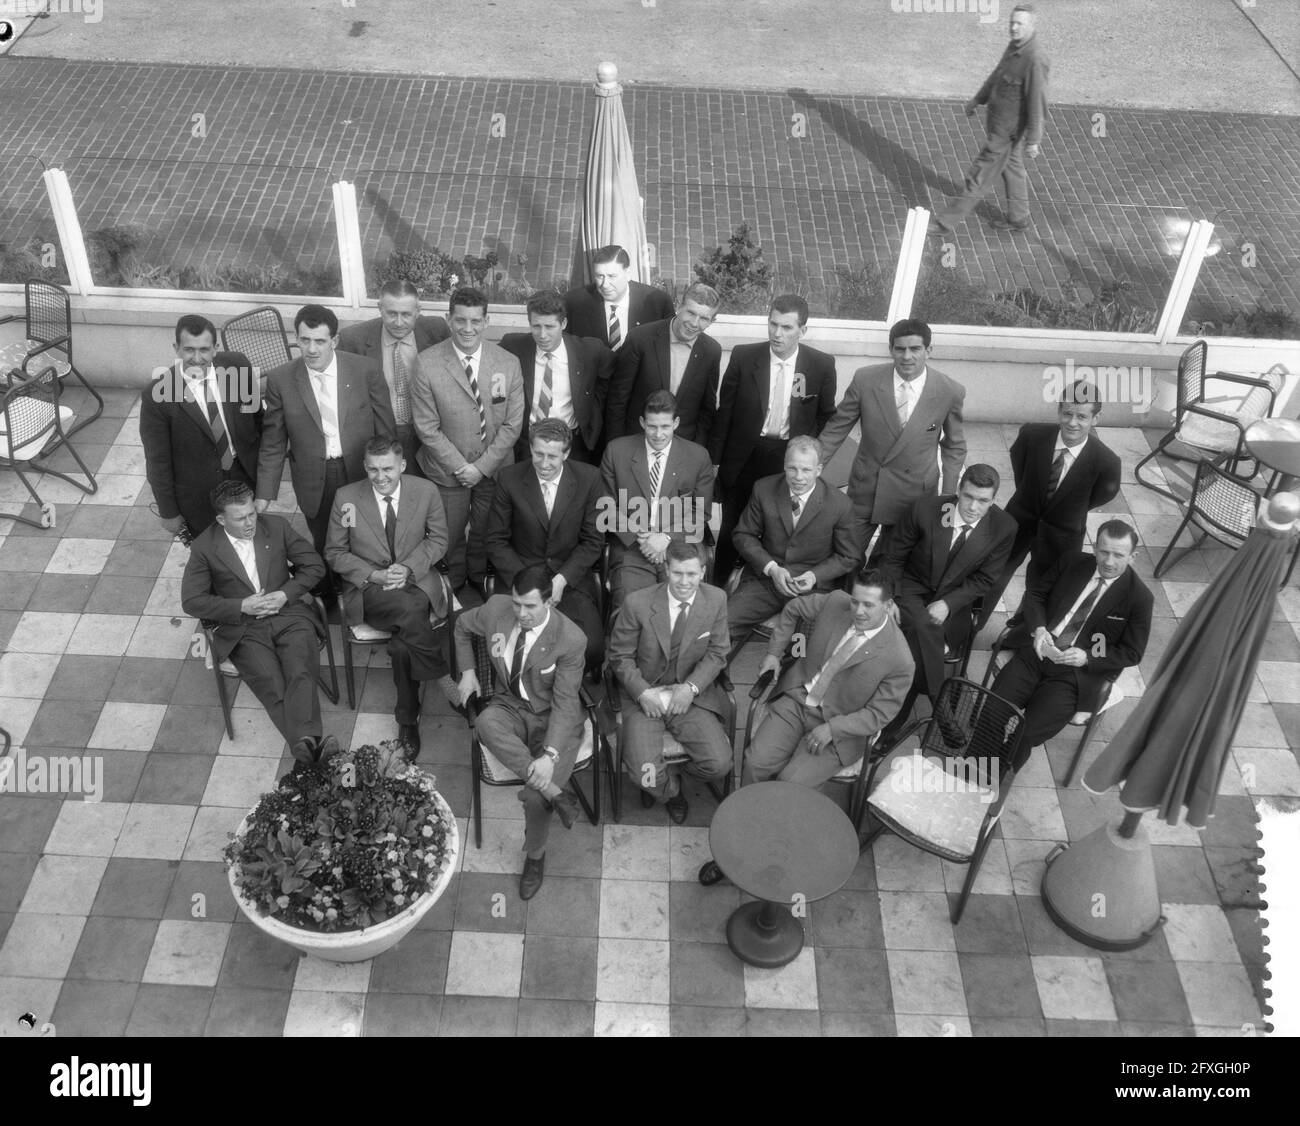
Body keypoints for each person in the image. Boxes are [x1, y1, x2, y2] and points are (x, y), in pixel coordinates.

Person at [698, 570, 913, 884]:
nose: (858, 611)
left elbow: (879, 715)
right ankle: (739, 840)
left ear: (888, 605)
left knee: (789, 784)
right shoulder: (836, 602)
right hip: (798, 701)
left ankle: (765, 851)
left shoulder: (900, 659)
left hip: (838, 731)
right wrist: (773, 653)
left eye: (868, 606)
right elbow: (792, 609)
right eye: (855, 602)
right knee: (755, 763)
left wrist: (834, 729)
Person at [181, 480, 337, 766]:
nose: (250, 522)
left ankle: (306, 755)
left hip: (289, 616)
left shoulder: (275, 527)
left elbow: (315, 565)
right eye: (240, 518)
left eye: (252, 513)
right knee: (273, 685)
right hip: (244, 628)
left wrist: (285, 594)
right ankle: (313, 752)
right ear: (220, 519)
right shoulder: (204, 547)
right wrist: (241, 605)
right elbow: (191, 601)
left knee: (300, 671)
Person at [454, 565, 586, 901]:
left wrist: (551, 755)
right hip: (509, 705)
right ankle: (556, 790)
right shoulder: (497, 608)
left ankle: (535, 857)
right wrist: (468, 672)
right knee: (485, 723)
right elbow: (460, 627)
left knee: (534, 797)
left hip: (552, 719)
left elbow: (567, 705)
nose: (521, 614)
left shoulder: (571, 639)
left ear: (549, 603)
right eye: (517, 604)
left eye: (530, 607)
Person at [324, 437, 456, 756]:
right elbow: (335, 551)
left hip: (418, 580)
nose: (380, 477)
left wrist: (408, 568)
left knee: (401, 647)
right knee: (409, 610)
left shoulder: (425, 491)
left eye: (387, 469)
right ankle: (445, 682)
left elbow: (439, 540)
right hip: (372, 589)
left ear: (402, 466)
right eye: (372, 469)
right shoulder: (347, 499)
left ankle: (407, 718)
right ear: (364, 467)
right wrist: (374, 574)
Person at [988, 520, 1152, 756]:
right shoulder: (1071, 562)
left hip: (1077, 676)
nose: (1108, 561)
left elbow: (1132, 652)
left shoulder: (1140, 598)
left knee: (1028, 732)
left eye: (1118, 555)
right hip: (1037, 653)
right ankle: (974, 769)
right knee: (992, 710)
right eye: (1104, 552)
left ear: (1132, 556)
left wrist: (1088, 657)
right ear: (1094, 547)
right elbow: (1035, 594)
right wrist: (1039, 628)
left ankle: (997, 773)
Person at [878, 464, 1017, 734]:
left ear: (993, 500)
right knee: (921, 625)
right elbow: (892, 556)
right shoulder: (925, 510)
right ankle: (939, 706)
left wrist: (949, 603)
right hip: (911, 591)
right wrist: (890, 597)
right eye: (968, 497)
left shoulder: (1004, 527)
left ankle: (891, 726)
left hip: (954, 606)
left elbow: (985, 579)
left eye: (983, 501)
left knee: (916, 644)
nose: (973, 507)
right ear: (958, 491)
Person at [707, 294, 838, 579]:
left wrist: (813, 459)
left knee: (775, 528)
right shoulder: (744, 356)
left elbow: (826, 415)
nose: (777, 334)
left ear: (803, 331)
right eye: (772, 324)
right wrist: (715, 461)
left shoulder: (821, 365)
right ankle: (717, 590)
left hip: (788, 458)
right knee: (734, 526)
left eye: (787, 328)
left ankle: (758, 586)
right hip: (744, 456)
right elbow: (724, 411)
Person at [255, 304, 396, 563]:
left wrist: (389, 473)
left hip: (360, 469)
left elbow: (385, 430)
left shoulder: (365, 370)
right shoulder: (281, 379)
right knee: (325, 541)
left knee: (367, 535)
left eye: (320, 341)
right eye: (304, 340)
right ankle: (331, 597)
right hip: (314, 479)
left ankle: (366, 594)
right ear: (296, 338)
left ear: (335, 340)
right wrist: (264, 492)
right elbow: (273, 442)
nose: (311, 349)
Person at [816, 318, 966, 561]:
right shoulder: (866, 380)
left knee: (888, 566)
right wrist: (811, 467)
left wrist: (947, 497)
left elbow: (955, 446)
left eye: (915, 349)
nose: (907, 356)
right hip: (867, 489)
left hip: (914, 496)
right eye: (900, 349)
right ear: (891, 350)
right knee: (843, 557)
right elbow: (836, 428)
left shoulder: (950, 391)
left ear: (929, 351)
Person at [979, 379, 1121, 630]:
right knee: (993, 573)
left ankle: (1020, 629)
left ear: (1095, 419)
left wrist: (1068, 507)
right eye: (1067, 413)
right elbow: (1020, 468)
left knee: (1042, 587)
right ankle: (973, 625)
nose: (1072, 422)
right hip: (1019, 520)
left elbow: (1102, 494)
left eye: (1082, 416)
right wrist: (1031, 495)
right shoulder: (1032, 435)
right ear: (1059, 411)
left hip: (1061, 535)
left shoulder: (1106, 461)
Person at [608, 540, 732, 824]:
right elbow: (619, 656)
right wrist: (641, 693)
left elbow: (717, 652)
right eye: (677, 573)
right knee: (643, 773)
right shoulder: (637, 603)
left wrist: (690, 688)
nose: (684, 582)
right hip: (645, 695)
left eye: (691, 574)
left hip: (688, 696)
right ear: (666, 569)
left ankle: (673, 776)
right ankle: (670, 792)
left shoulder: (716, 600)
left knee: (719, 764)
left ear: (703, 571)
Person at [410, 286, 524, 592]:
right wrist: (462, 467)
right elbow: (426, 426)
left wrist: (482, 467)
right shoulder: (426, 363)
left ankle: (479, 579)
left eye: (475, 321)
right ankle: (454, 583)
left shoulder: (508, 363)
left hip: (494, 467)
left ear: (486, 321)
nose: (468, 328)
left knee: (487, 529)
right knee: (449, 531)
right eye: (461, 320)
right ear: (449, 320)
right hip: (449, 471)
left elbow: (513, 424)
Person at [483, 419, 607, 669]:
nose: (544, 463)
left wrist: (561, 580)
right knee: (507, 648)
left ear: (567, 453)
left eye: (552, 456)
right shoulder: (509, 478)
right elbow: (495, 540)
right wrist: (528, 585)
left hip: (568, 579)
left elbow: (594, 540)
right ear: (530, 448)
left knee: (592, 648)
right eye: (538, 454)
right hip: (521, 578)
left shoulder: (590, 478)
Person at [728, 436, 860, 651]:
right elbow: (743, 534)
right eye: (792, 468)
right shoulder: (764, 488)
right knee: (719, 627)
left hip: (811, 589)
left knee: (805, 647)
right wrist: (771, 568)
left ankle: (791, 679)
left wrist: (814, 576)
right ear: (784, 465)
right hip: (766, 581)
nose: (798, 477)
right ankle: (715, 677)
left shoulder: (840, 504)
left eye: (806, 470)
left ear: (819, 469)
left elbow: (849, 556)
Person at [931, 4, 1049, 235]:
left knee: (979, 177)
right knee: (1012, 167)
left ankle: (945, 222)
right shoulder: (1015, 46)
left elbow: (1037, 102)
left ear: (1032, 26)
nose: (1013, 27)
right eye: (1011, 22)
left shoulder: (1035, 59)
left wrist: (1034, 140)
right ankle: (1019, 217)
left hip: (1006, 134)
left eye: (1019, 24)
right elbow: (997, 75)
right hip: (998, 125)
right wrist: (978, 99)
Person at [140, 315, 261, 540]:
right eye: (189, 350)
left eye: (204, 349)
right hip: (200, 494)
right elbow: (158, 461)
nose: (197, 358)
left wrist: (265, 481)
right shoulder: (157, 395)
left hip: (244, 475)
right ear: (176, 348)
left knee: (251, 537)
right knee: (214, 552)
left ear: (215, 348)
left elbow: (256, 420)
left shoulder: (238, 366)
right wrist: (169, 512)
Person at [599, 390, 714, 611]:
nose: (658, 434)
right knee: (631, 607)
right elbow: (606, 506)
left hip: (681, 547)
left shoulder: (698, 456)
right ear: (642, 422)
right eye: (652, 426)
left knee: (679, 610)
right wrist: (642, 539)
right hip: (632, 546)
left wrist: (666, 536)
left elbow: (700, 513)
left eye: (665, 426)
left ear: (676, 423)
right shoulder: (617, 451)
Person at [337, 279, 451, 476]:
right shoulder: (353, 339)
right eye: (391, 313)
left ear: (418, 310)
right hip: (378, 434)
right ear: (380, 308)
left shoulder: (437, 330)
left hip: (427, 433)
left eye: (406, 314)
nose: (399, 322)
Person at [498, 289, 613, 464]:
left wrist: (594, 407)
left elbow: (616, 376)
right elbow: (488, 364)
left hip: (572, 446)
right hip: (526, 446)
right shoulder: (513, 346)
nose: (542, 335)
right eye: (536, 326)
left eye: (550, 326)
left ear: (564, 323)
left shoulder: (590, 351)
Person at [604, 282, 722, 447]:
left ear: (712, 321)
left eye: (704, 318)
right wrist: (615, 447)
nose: (694, 323)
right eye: (691, 313)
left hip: (681, 448)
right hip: (636, 442)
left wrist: (697, 451)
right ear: (679, 306)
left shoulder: (712, 351)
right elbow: (618, 399)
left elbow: (706, 410)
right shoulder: (640, 339)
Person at [563, 243, 674, 351]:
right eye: (599, 276)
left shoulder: (658, 303)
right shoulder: (574, 303)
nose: (605, 284)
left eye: (612, 276)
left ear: (628, 274)